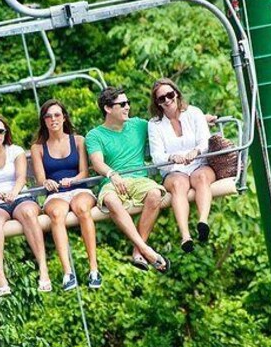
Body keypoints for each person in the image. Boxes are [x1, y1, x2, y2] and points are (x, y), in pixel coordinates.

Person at [86, 87, 170, 273]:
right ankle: (146, 249)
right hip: (112, 182)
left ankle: (139, 250)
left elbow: (168, 124)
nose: (127, 107)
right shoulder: (95, 135)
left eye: (128, 103)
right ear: (108, 109)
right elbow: (98, 162)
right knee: (110, 199)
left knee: (155, 194)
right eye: (122, 104)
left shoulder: (138, 125)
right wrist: (112, 175)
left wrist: (203, 120)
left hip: (139, 179)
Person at [0, 113, 50, 297]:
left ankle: (43, 270)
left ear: (6, 133)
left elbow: (21, 177)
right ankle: (1, 278)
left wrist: (14, 192)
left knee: (29, 212)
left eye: (1, 131)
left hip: (19, 196)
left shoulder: (15, 151)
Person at [30, 99, 101, 291]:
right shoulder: (38, 148)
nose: (53, 119)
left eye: (57, 115)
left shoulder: (78, 140)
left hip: (78, 188)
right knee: (56, 214)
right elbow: (40, 179)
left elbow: (84, 173)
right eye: (48, 116)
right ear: (43, 120)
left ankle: (93, 268)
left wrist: (73, 180)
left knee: (82, 208)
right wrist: (48, 182)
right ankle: (67, 272)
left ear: (64, 117)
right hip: (56, 194)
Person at [147, 78, 216, 253]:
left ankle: (203, 221)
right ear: (157, 103)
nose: (167, 100)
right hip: (174, 169)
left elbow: (205, 141)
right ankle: (185, 235)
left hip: (198, 163)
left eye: (170, 95)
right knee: (178, 185)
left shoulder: (193, 113)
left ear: (177, 94)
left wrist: (196, 152)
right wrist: (172, 157)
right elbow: (157, 157)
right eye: (161, 98)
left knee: (201, 178)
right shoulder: (155, 125)